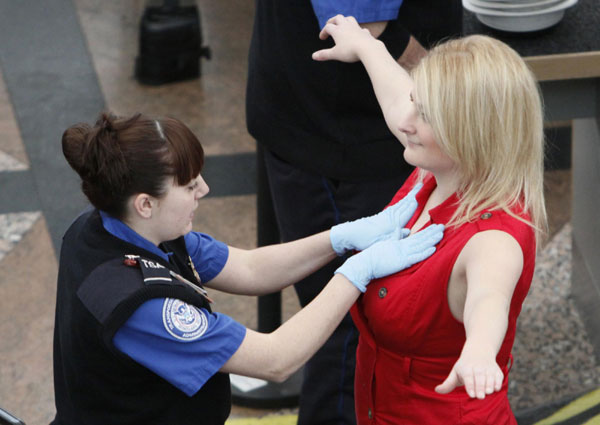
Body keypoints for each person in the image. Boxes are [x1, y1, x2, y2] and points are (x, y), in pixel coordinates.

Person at [50, 112, 443, 425]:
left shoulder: (110, 227)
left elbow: (251, 268)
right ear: (144, 204)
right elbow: (276, 359)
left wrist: (340, 237)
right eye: (187, 186)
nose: (203, 189)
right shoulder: (143, 307)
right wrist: (358, 272)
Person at [312, 16, 547, 424]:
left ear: (471, 133)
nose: (406, 123)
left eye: (425, 116)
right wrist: (366, 46)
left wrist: (478, 349)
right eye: (416, 104)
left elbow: (488, 298)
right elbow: (397, 99)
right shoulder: (439, 168)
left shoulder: (493, 238)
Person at [246, 1, 462, 423]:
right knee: (348, 332)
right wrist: (454, 95)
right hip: (344, 136)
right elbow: (367, 23)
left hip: (352, 126)